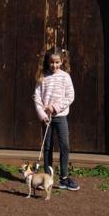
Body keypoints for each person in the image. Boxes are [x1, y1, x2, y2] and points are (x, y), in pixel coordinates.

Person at [33, 46, 80, 191]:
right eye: (52, 62)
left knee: (64, 145)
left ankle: (64, 179)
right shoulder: (43, 77)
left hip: (60, 117)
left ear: (62, 61)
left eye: (57, 62)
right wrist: (42, 114)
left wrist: (55, 107)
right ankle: (46, 178)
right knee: (47, 147)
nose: (55, 65)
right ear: (48, 62)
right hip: (47, 119)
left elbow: (70, 96)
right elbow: (37, 97)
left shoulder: (65, 77)